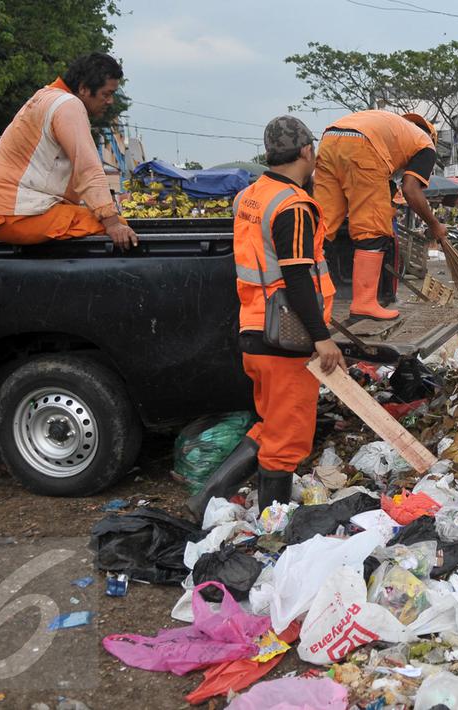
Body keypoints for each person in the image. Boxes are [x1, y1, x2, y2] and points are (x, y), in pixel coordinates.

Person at [187, 115, 345, 518]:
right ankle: (273, 523)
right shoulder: (292, 206)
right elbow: (296, 277)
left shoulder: (250, 196)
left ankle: (204, 503)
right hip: (285, 336)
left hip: (254, 331)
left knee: (270, 426)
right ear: (307, 151)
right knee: (287, 438)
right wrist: (322, 337)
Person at [0, 53, 137, 249]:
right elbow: (88, 169)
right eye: (106, 94)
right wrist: (111, 223)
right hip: (11, 216)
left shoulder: (47, 96)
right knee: (119, 226)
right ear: (84, 88)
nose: (110, 101)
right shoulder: (69, 105)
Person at [313, 110, 448, 321]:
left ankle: (305, 297)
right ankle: (364, 304)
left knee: (320, 226)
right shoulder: (425, 144)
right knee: (373, 227)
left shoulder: (393, 129)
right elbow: (411, 190)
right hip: (363, 146)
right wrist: (435, 225)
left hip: (329, 139)